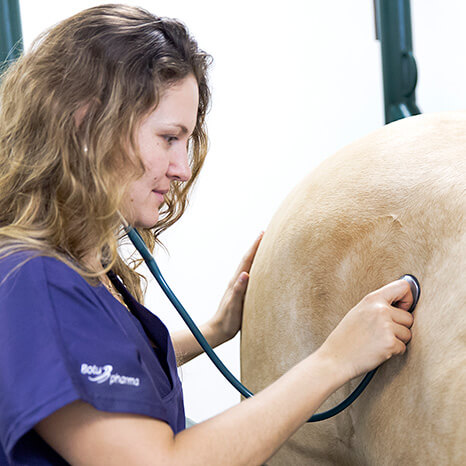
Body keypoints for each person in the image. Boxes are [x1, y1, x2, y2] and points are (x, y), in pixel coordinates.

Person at [0, 4, 416, 465]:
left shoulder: (74, 267)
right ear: (85, 123)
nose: (180, 169)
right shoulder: (34, 280)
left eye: (186, 141)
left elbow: (95, 370)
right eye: (167, 138)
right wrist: (335, 361)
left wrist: (215, 330)